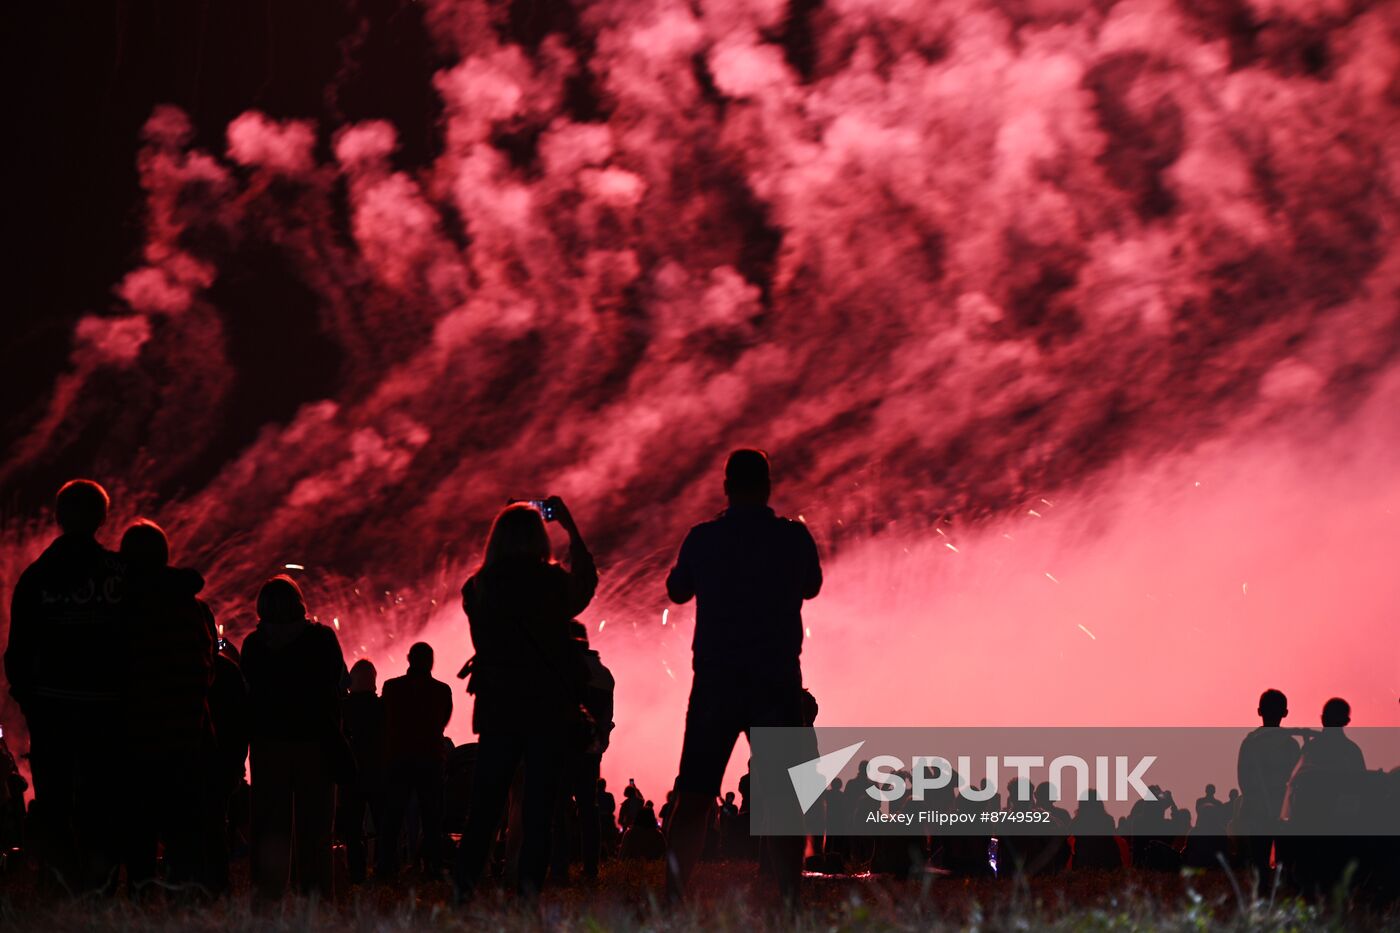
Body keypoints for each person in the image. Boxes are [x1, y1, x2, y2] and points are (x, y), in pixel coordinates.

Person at [663, 449, 823, 905]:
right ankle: (791, 898)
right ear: (768, 486)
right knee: (785, 797)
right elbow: (811, 585)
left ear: (726, 486)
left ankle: (672, 896)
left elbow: (677, 590)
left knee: (694, 793)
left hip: (716, 679)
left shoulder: (703, 538)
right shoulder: (792, 538)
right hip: (775, 677)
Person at [454, 497, 597, 899]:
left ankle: (463, 892)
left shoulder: (478, 587)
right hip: (547, 707)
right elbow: (583, 588)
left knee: (484, 809)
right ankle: (527, 896)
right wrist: (570, 525)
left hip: (499, 706)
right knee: (538, 812)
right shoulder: (552, 582)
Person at [5, 479, 126, 892]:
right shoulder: (119, 574)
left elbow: (17, 651)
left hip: (53, 713)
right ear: (102, 518)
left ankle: (61, 888)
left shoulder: (37, 577)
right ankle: (102, 890)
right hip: (107, 712)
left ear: (58, 518)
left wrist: (31, 701)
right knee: (102, 803)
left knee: (55, 804)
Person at [117, 520, 218, 895]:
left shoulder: (121, 608)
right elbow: (207, 672)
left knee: (138, 835)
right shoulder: (191, 608)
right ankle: (186, 908)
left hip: (134, 738)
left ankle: (141, 902)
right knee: (185, 835)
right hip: (186, 737)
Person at [240, 575, 349, 901]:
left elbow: (247, 694)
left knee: (269, 829)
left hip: (269, 743)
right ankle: (315, 901)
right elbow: (339, 684)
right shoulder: (322, 639)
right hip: (315, 743)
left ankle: (267, 898)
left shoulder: (254, 644)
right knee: (315, 830)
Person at [380, 643, 453, 879]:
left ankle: (387, 867)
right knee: (432, 817)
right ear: (431, 662)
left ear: (408, 659)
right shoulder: (442, 690)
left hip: (399, 758)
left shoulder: (391, 688)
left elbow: (384, 719)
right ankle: (432, 867)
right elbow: (443, 722)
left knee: (392, 816)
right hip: (430, 759)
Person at [1234, 688, 1301, 885]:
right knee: (1284, 863)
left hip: (1257, 810)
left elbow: (1243, 778)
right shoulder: (1290, 744)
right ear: (1285, 713)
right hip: (1283, 811)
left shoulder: (1250, 743)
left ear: (1259, 711)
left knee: (1259, 863)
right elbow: (1295, 782)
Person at [337, 659, 387, 884]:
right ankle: (383, 868)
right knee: (383, 825)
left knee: (353, 828)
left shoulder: (344, 707)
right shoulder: (383, 706)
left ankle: (356, 872)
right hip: (378, 773)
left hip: (351, 774)